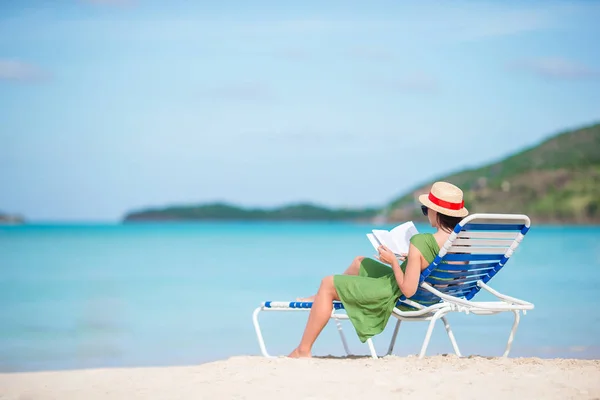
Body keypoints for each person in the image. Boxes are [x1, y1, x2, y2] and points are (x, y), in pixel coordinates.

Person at [288, 181, 469, 358]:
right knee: (359, 262)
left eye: (426, 209)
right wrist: (414, 260)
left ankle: (303, 349)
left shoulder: (422, 242)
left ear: (436, 212)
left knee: (327, 283)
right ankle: (319, 298)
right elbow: (455, 278)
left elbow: (407, 289)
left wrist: (394, 262)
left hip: (401, 294)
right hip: (432, 295)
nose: (426, 213)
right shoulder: (463, 242)